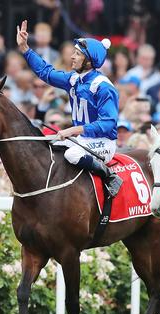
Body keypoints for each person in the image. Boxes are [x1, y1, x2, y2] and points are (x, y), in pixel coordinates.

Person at [16, 20, 122, 197]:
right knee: (45, 145)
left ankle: (110, 176)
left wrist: (74, 129)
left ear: (89, 61)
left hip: (103, 142)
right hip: (82, 139)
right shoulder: (73, 79)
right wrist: (26, 49)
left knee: (71, 155)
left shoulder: (103, 86)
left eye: (77, 54)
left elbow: (109, 123)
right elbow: (46, 73)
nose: (72, 57)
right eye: (74, 52)